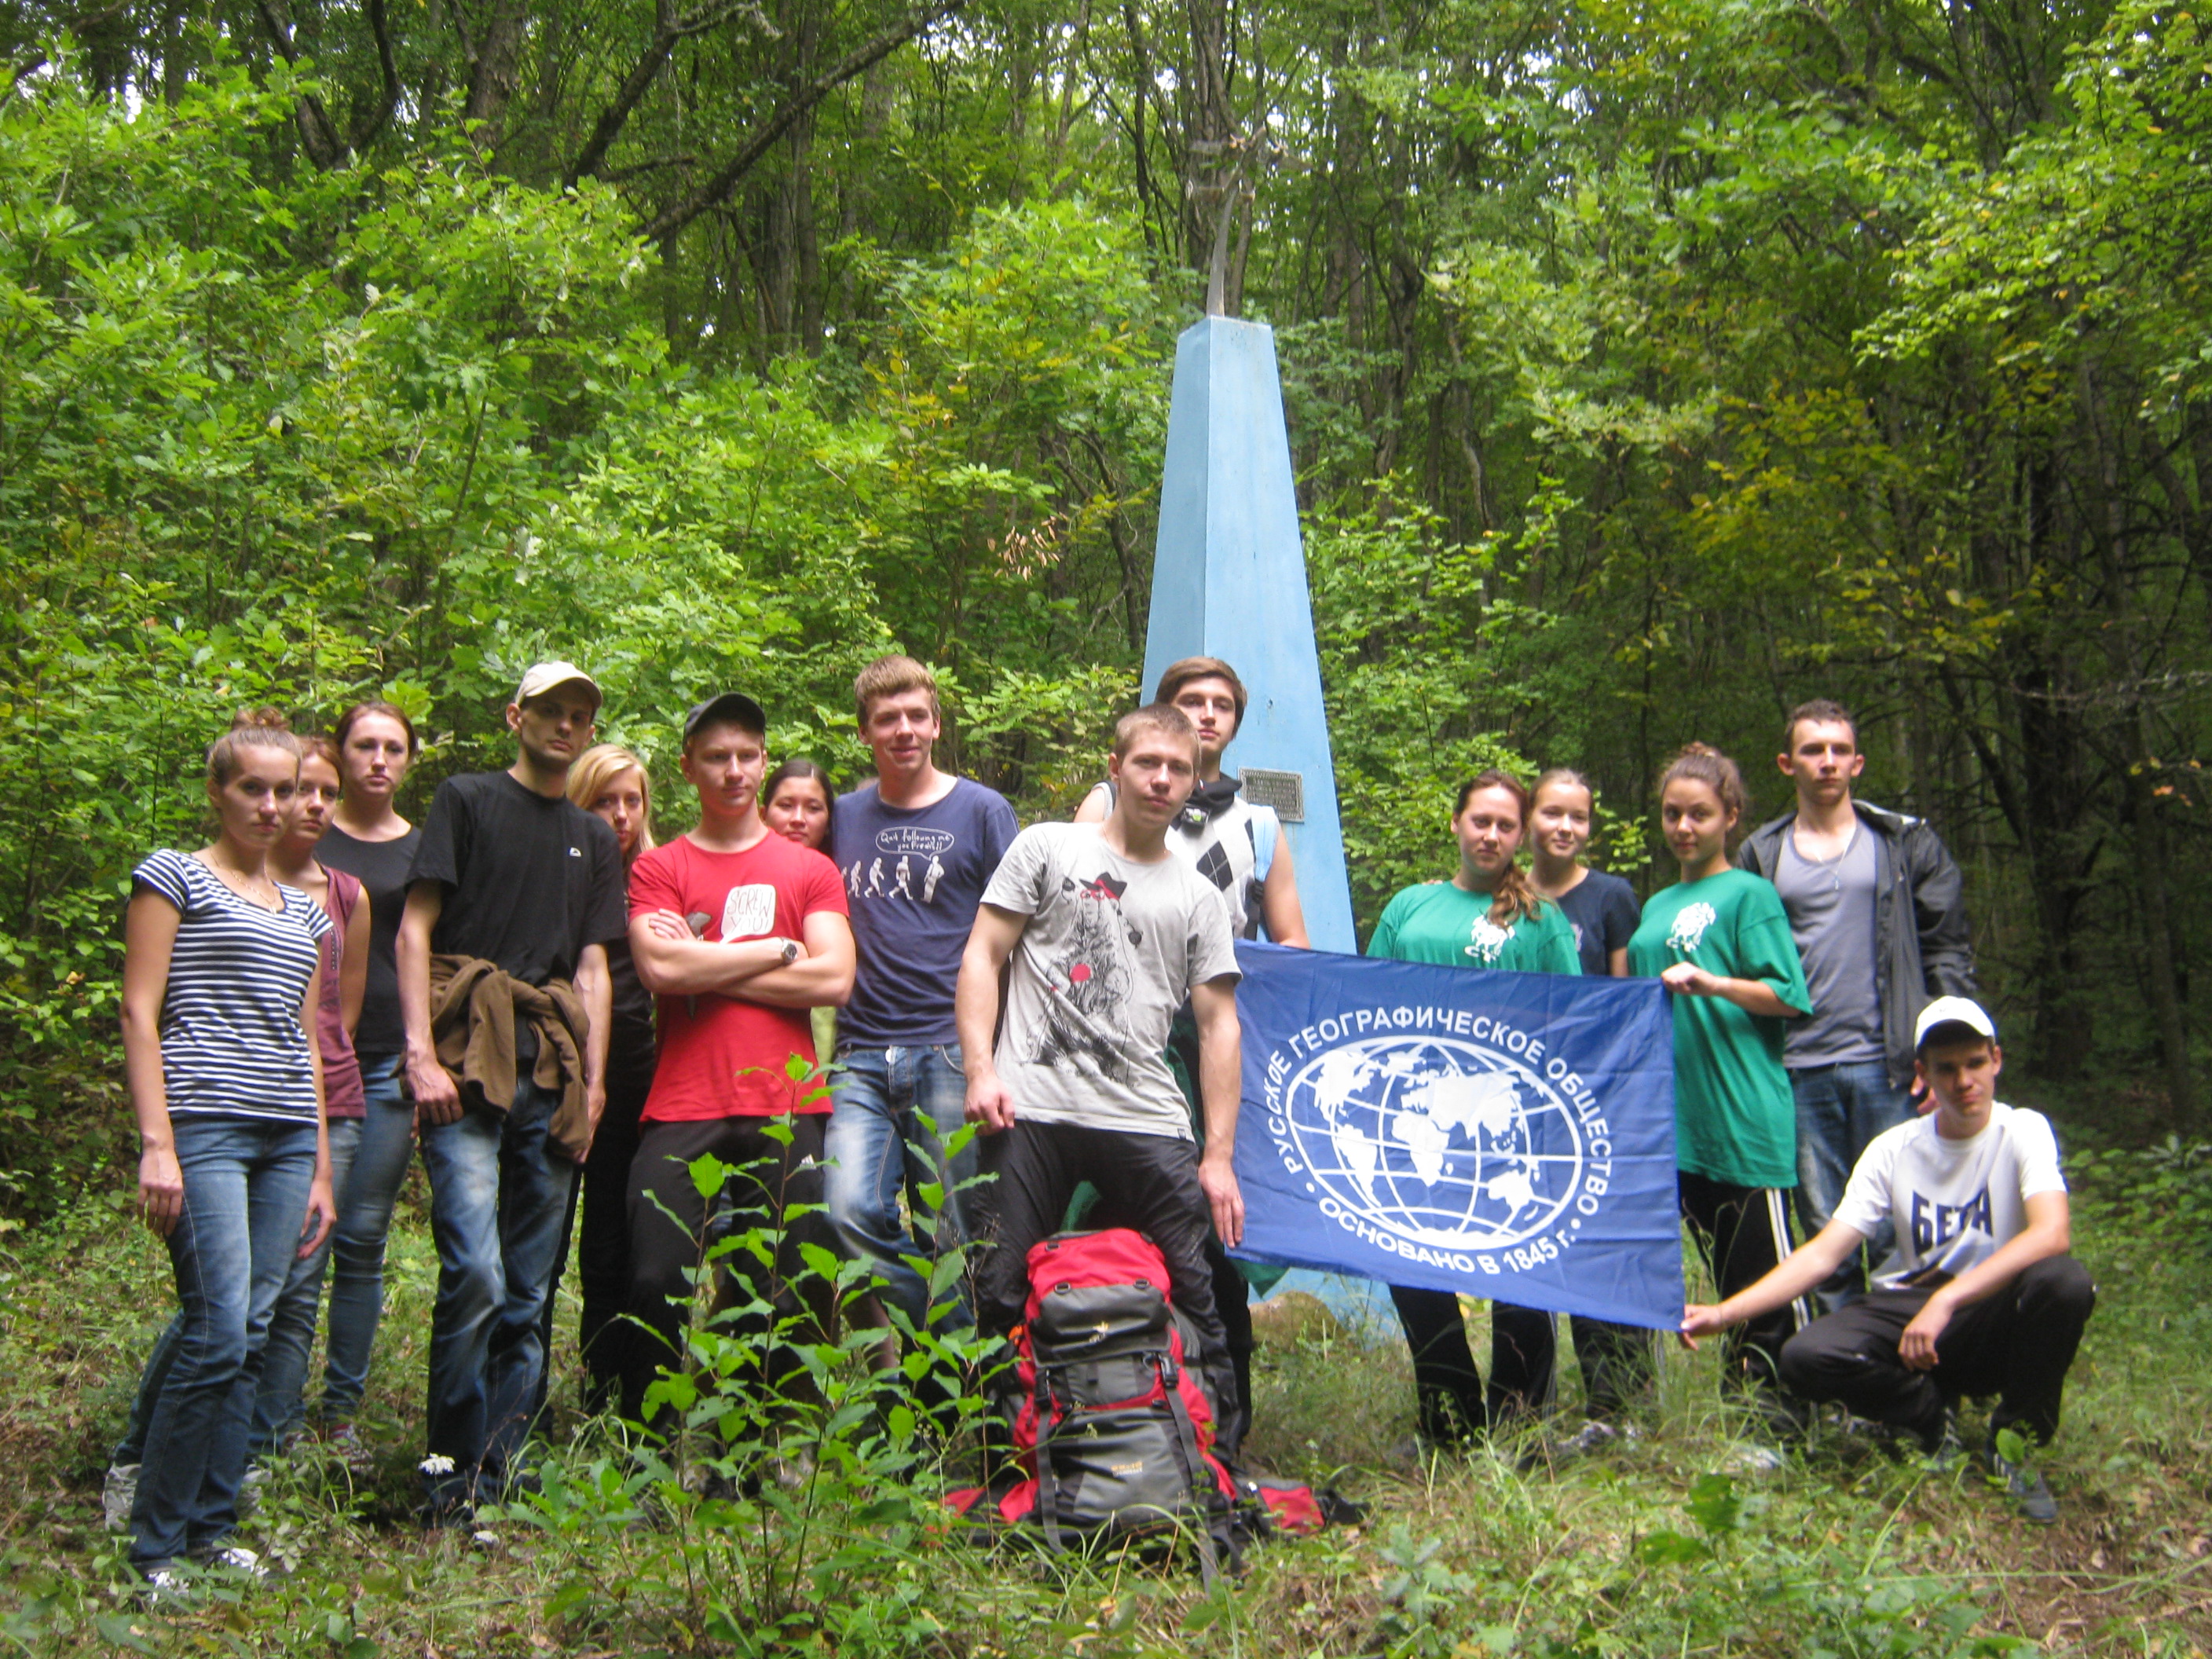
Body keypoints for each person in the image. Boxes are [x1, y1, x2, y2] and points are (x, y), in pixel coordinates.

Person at [955, 703, 1247, 1451]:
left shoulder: (1198, 895)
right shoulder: (1047, 848)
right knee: (997, 1288)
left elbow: (1218, 1026)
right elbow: (983, 956)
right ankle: (1004, 1459)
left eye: (1178, 769)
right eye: (1147, 763)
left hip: (1144, 1116)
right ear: (1115, 768)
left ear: (1192, 782)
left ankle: (1211, 1456)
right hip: (1031, 1106)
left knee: (1194, 1284)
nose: (1162, 779)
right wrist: (981, 1070)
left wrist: (1217, 1157)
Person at [1683, 998, 2094, 1522]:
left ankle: (2014, 1442)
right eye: (1946, 1069)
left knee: (2064, 1283)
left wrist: (1947, 1300)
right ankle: (1927, 1415)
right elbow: (1822, 1256)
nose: (1964, 1081)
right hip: (1908, 1308)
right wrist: (1724, 1314)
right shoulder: (1893, 1148)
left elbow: (2052, 1233)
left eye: (1974, 1063)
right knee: (1805, 1356)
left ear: (1997, 1060)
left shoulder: (2023, 1131)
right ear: (1922, 1074)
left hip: (1988, 1307)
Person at [397, 663, 627, 1519]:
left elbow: (595, 966)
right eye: (550, 711)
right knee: (476, 1273)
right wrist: (419, 1053)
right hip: (467, 1060)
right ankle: (442, 1465)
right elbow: (416, 927)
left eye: (580, 716)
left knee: (531, 1288)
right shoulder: (465, 799)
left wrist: (595, 1086)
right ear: (516, 716)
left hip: (552, 1068)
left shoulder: (592, 837)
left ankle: (501, 1472)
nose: (566, 726)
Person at [119, 712, 336, 1586]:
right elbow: (141, 1010)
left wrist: (321, 1166)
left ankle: (212, 1526)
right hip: (204, 1123)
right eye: (253, 787)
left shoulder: (306, 914)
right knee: (214, 1329)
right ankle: (155, 1542)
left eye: (284, 790)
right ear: (218, 792)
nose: (272, 804)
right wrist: (156, 1144)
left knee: (250, 1329)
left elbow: (307, 1040)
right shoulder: (174, 877)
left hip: (288, 1133)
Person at [1073, 657, 1309, 1447]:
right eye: (1189, 703)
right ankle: (1102, 1416)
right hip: (1118, 1046)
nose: (1205, 716)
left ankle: (1223, 1430)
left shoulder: (1261, 825)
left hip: (1213, 1040)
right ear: (1162, 715)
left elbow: (1291, 944)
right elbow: (1067, 916)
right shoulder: (1108, 803)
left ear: (1235, 721)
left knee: (1212, 1231)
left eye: (1220, 705)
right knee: (1107, 1217)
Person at [621, 695, 854, 1428]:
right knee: (655, 1274)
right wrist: (774, 950)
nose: (734, 771)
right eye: (716, 757)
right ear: (688, 766)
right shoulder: (660, 866)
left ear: (762, 758)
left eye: (747, 755)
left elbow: (833, 978)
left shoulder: (808, 869)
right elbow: (659, 971)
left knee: (782, 1280)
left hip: (786, 1107)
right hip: (682, 1101)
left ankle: (759, 1444)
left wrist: (704, 962)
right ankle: (649, 1448)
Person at [1737, 700, 1979, 1313]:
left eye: (1839, 750)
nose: (1827, 763)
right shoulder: (1761, 856)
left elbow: (1947, 951)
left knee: (1907, 1229)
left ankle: (1913, 1388)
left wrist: (1944, 1060)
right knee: (1827, 1236)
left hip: (1891, 1067)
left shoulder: (1904, 844)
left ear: (1858, 762)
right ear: (1786, 763)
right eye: (1813, 751)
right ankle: (1848, 1386)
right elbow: (1738, 965)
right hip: (1796, 1070)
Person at [1365, 771, 1580, 1448]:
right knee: (1413, 1269)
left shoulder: (1540, 920)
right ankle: (1449, 1418)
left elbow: (1571, 1019)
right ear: (1456, 824)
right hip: (1421, 1122)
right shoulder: (1409, 907)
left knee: (1518, 1270)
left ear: (1522, 836)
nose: (1491, 835)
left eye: (1506, 825)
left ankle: (1520, 1422)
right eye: (1480, 821)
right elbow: (1366, 1002)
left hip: (1508, 1126)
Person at [825, 657, 1018, 1346]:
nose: (903, 730)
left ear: (936, 723)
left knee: (958, 1231)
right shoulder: (841, 815)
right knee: (846, 1212)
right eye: (886, 719)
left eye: (915, 716)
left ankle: (952, 1404)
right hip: (860, 1052)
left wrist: (991, 1060)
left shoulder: (985, 811)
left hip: (950, 1048)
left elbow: (1016, 938)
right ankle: (951, 1343)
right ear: (864, 732)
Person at [1628, 744, 1813, 1437]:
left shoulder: (1749, 894)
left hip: (1739, 1114)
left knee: (1759, 1283)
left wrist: (1712, 983)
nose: (1683, 827)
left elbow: (1789, 996)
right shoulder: (1658, 905)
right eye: (1673, 814)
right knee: (1695, 1274)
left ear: (1730, 817)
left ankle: (1782, 1422)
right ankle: (1688, 1413)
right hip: (1673, 1123)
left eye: (1699, 815)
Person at [1522, 767, 1657, 1448]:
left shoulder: (1611, 897)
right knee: (1531, 1248)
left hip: (1594, 1099)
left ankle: (1619, 1405)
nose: (1564, 828)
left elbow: (1624, 1001)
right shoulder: (1506, 896)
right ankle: (1527, 1406)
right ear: (1529, 820)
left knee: (1600, 1249)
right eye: (1552, 813)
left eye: (1578, 816)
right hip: (1520, 1109)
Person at [249, 736, 372, 1452]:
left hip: (333, 1099)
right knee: (241, 1288)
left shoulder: (347, 895)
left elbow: (341, 1015)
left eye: (327, 792)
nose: (315, 805)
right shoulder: (225, 882)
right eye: (302, 790)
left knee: (303, 1276)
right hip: (242, 1102)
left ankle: (277, 1435)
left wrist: (319, 1084)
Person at [312, 701, 424, 1459]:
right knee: (299, 1241)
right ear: (340, 755)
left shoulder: (424, 848)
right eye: (364, 746)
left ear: (410, 760)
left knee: (361, 1239)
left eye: (393, 747)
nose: (378, 760)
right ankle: (266, 1408)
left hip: (389, 1061)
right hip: (312, 1058)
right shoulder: (304, 830)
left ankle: (340, 1411)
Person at [560, 744, 660, 1415]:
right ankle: (591, 1387)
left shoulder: (660, 874)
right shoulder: (562, 872)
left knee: (633, 1237)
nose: (620, 815)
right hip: (568, 1068)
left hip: (645, 1072)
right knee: (585, 1239)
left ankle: (634, 1393)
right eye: (605, 800)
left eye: (632, 800)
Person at [762, 759, 840, 1064]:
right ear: (762, 813)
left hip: (824, 1047)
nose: (798, 819)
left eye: (813, 808)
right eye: (786, 805)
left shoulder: (840, 878)